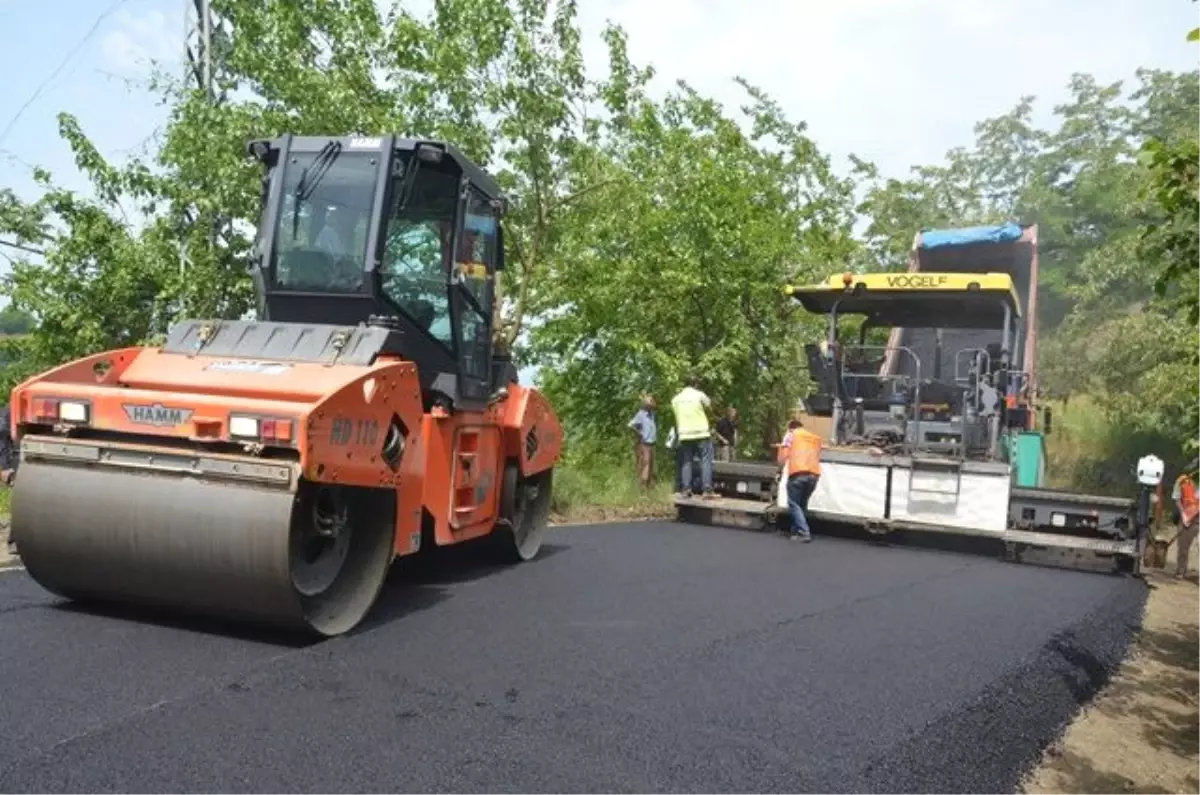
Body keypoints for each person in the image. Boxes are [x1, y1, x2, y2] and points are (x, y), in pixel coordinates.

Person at [777, 418, 822, 542]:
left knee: (793, 503)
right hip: (814, 475)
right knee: (802, 504)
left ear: (791, 427)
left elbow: (783, 456)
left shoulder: (791, 434)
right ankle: (795, 532)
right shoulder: (814, 438)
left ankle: (804, 532)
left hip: (798, 473)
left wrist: (778, 471)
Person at [671, 374, 716, 499]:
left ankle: (686, 489)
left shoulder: (675, 399)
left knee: (687, 461)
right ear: (695, 384)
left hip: (685, 434)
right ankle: (706, 490)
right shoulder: (699, 395)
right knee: (705, 461)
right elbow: (709, 406)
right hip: (701, 432)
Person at [1171, 458, 1200, 579]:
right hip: (1187, 517)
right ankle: (1181, 571)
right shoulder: (1183, 480)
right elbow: (1177, 498)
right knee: (1183, 547)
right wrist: (1183, 514)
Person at [627, 395, 658, 489]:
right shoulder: (641, 414)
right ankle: (642, 487)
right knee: (645, 464)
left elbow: (656, 406)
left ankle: (648, 486)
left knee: (651, 465)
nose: (650, 406)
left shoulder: (651, 413)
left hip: (651, 443)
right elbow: (630, 425)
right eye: (648, 404)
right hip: (644, 443)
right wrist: (639, 433)